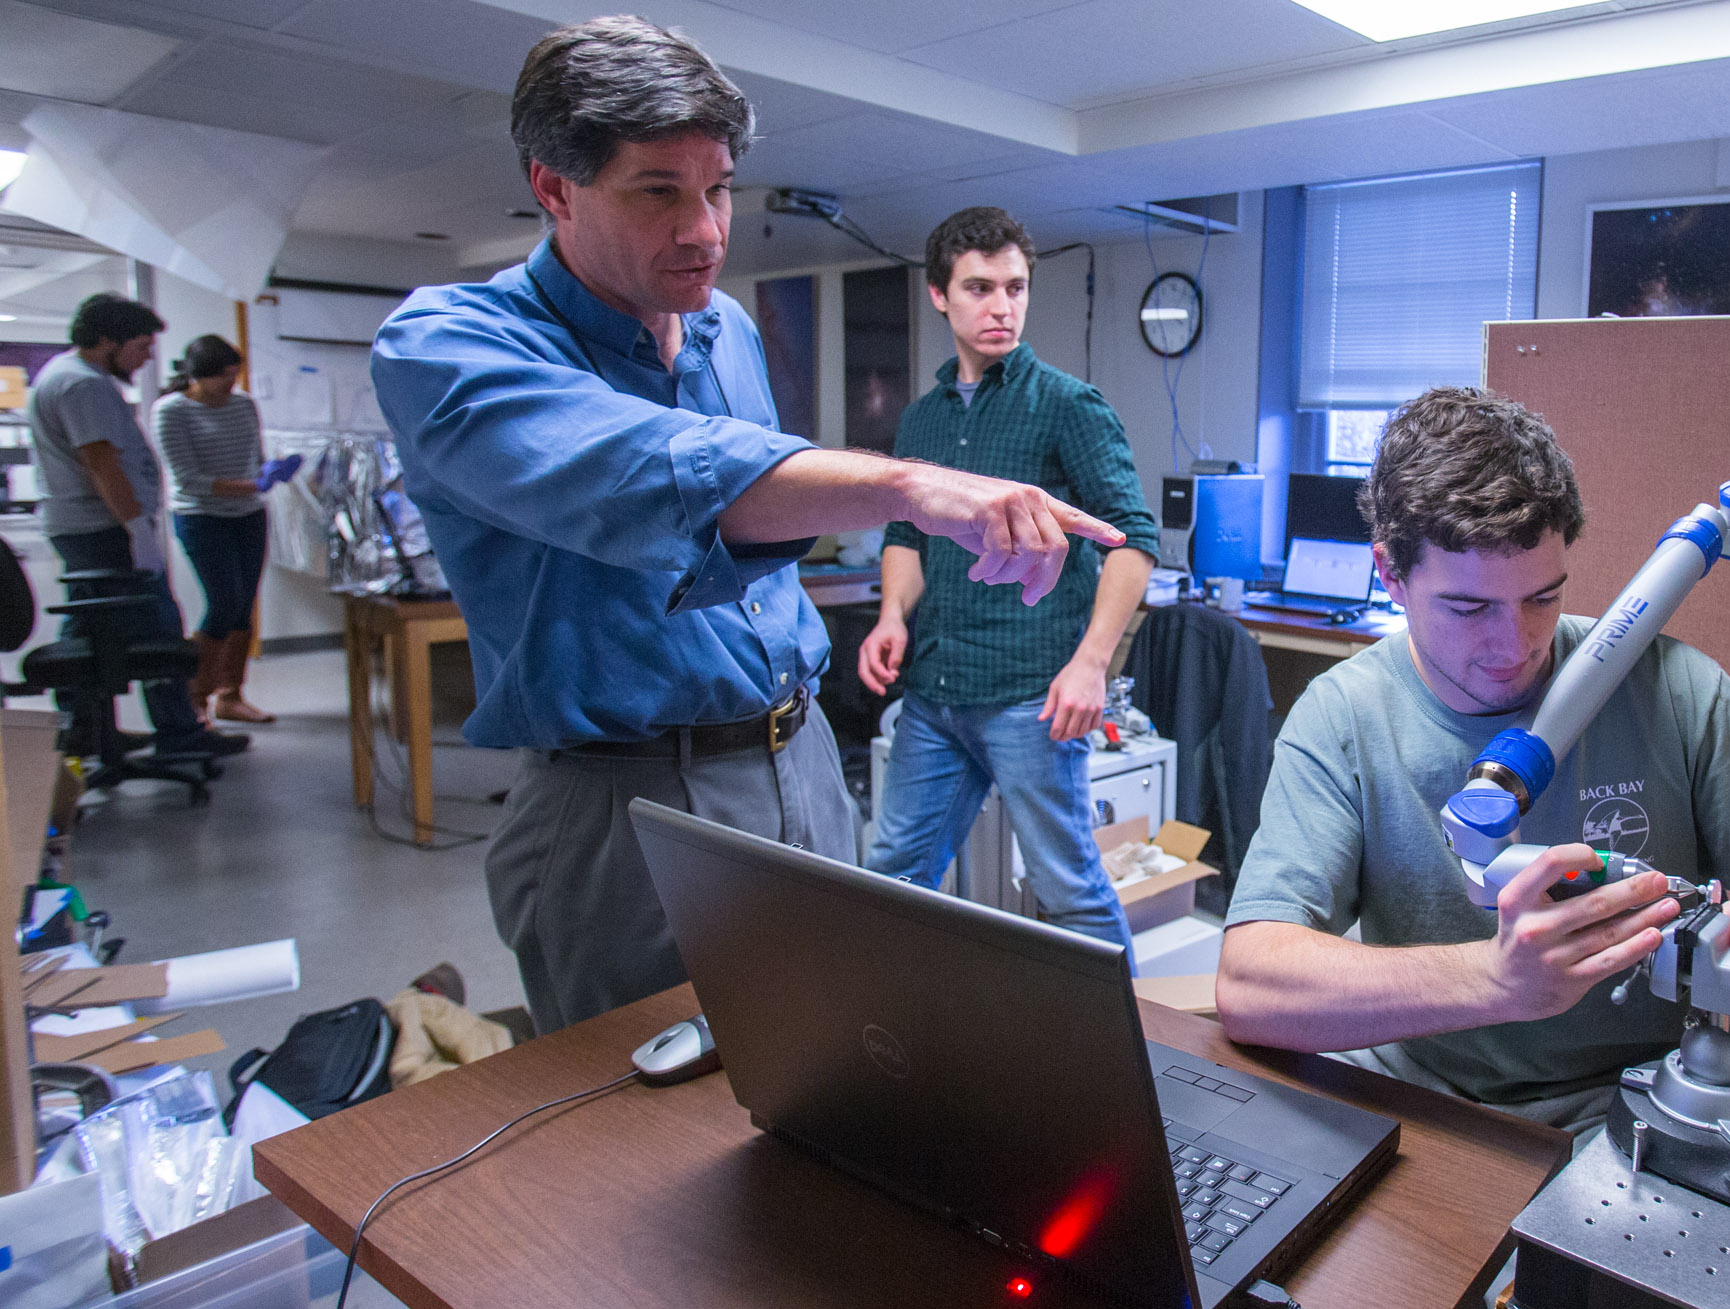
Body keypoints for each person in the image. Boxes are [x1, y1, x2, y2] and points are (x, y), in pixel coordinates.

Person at [370, 19, 1121, 1034]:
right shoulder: (450, 348)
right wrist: (913, 489)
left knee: (835, 1060)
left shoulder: (722, 329)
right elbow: (663, 476)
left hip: (796, 752)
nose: (705, 230)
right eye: (657, 191)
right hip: (628, 799)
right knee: (641, 1128)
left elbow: (762, 545)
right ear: (554, 185)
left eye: (717, 187)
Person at [1214, 387, 1730, 1309]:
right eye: (1467, 606)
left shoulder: (1669, 684)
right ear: (1389, 575)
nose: (1517, 643)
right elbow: (1249, 980)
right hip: (1427, 1114)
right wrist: (1496, 982)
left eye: (1542, 595)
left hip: (1641, 1121)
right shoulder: (1344, 717)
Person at [857, 207, 1159, 954]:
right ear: (940, 295)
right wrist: (893, 614)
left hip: (1032, 696)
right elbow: (905, 534)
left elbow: (1132, 540)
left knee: (1068, 891)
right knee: (889, 881)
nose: (1001, 307)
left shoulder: (1067, 407)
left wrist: (1092, 665)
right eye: (980, 288)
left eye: (1015, 288)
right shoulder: (923, 421)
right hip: (935, 694)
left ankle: (1121, 1063)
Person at [27, 294, 249, 760]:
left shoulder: (66, 375)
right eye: (141, 344)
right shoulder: (82, 386)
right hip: (103, 530)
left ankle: (83, 729)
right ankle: (180, 736)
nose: (149, 355)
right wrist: (138, 531)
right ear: (108, 340)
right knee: (159, 631)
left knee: (87, 630)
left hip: (89, 529)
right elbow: (102, 463)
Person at [153, 334, 275, 724]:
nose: (231, 384)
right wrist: (252, 485)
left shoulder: (243, 406)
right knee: (222, 602)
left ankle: (231, 696)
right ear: (198, 376)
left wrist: (268, 475)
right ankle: (196, 697)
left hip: (249, 515)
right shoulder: (171, 410)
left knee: (243, 607)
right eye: (222, 377)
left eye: (234, 375)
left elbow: (257, 459)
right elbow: (187, 478)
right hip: (202, 516)